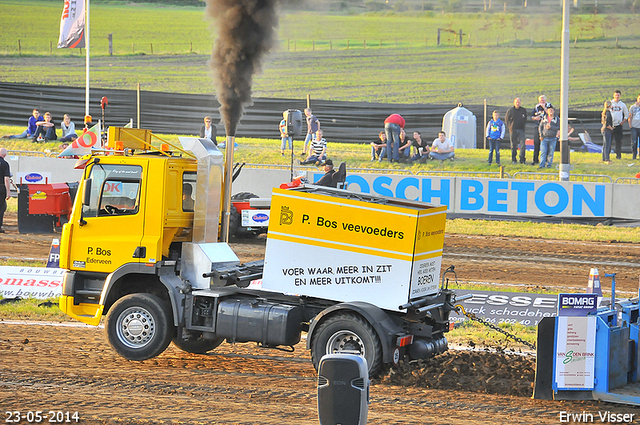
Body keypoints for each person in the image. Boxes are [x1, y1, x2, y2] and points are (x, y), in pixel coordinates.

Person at [530, 95, 553, 165]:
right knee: (536, 143)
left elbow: (551, 114)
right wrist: (535, 118)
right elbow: (532, 116)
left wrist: (544, 108)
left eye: (543, 100)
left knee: (546, 144)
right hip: (537, 126)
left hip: (546, 127)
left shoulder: (549, 105)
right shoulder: (537, 107)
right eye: (540, 101)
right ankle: (535, 160)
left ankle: (546, 160)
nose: (541, 102)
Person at [505, 97, 527, 164]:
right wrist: (510, 127)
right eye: (516, 102)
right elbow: (507, 120)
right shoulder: (510, 110)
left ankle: (522, 160)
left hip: (521, 130)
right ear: (514, 103)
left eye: (519, 102)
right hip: (513, 130)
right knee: (513, 145)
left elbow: (525, 119)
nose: (517, 103)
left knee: (523, 145)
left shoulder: (523, 110)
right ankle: (514, 159)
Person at [611, 90, 629, 160]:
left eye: (618, 95)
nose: (617, 96)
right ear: (613, 95)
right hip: (611, 126)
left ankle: (618, 156)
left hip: (618, 125)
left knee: (618, 141)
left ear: (620, 96)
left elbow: (626, 115)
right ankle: (607, 155)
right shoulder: (610, 103)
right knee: (609, 141)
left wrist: (623, 121)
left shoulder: (622, 105)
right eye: (616, 95)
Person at [0, 147, 10, 233]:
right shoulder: (5, 164)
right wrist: (8, 192)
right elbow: (6, 179)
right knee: (1, 207)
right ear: (5, 155)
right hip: (1, 188)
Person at [601, 100, 614, 164]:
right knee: (607, 145)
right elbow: (607, 123)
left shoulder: (604, 112)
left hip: (604, 130)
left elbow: (602, 122)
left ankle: (604, 157)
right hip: (607, 130)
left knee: (605, 144)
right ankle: (607, 159)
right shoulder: (608, 113)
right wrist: (611, 128)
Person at [628, 94, 640, 160]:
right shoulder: (633, 107)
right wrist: (630, 125)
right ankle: (634, 155)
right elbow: (630, 116)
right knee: (634, 141)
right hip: (634, 127)